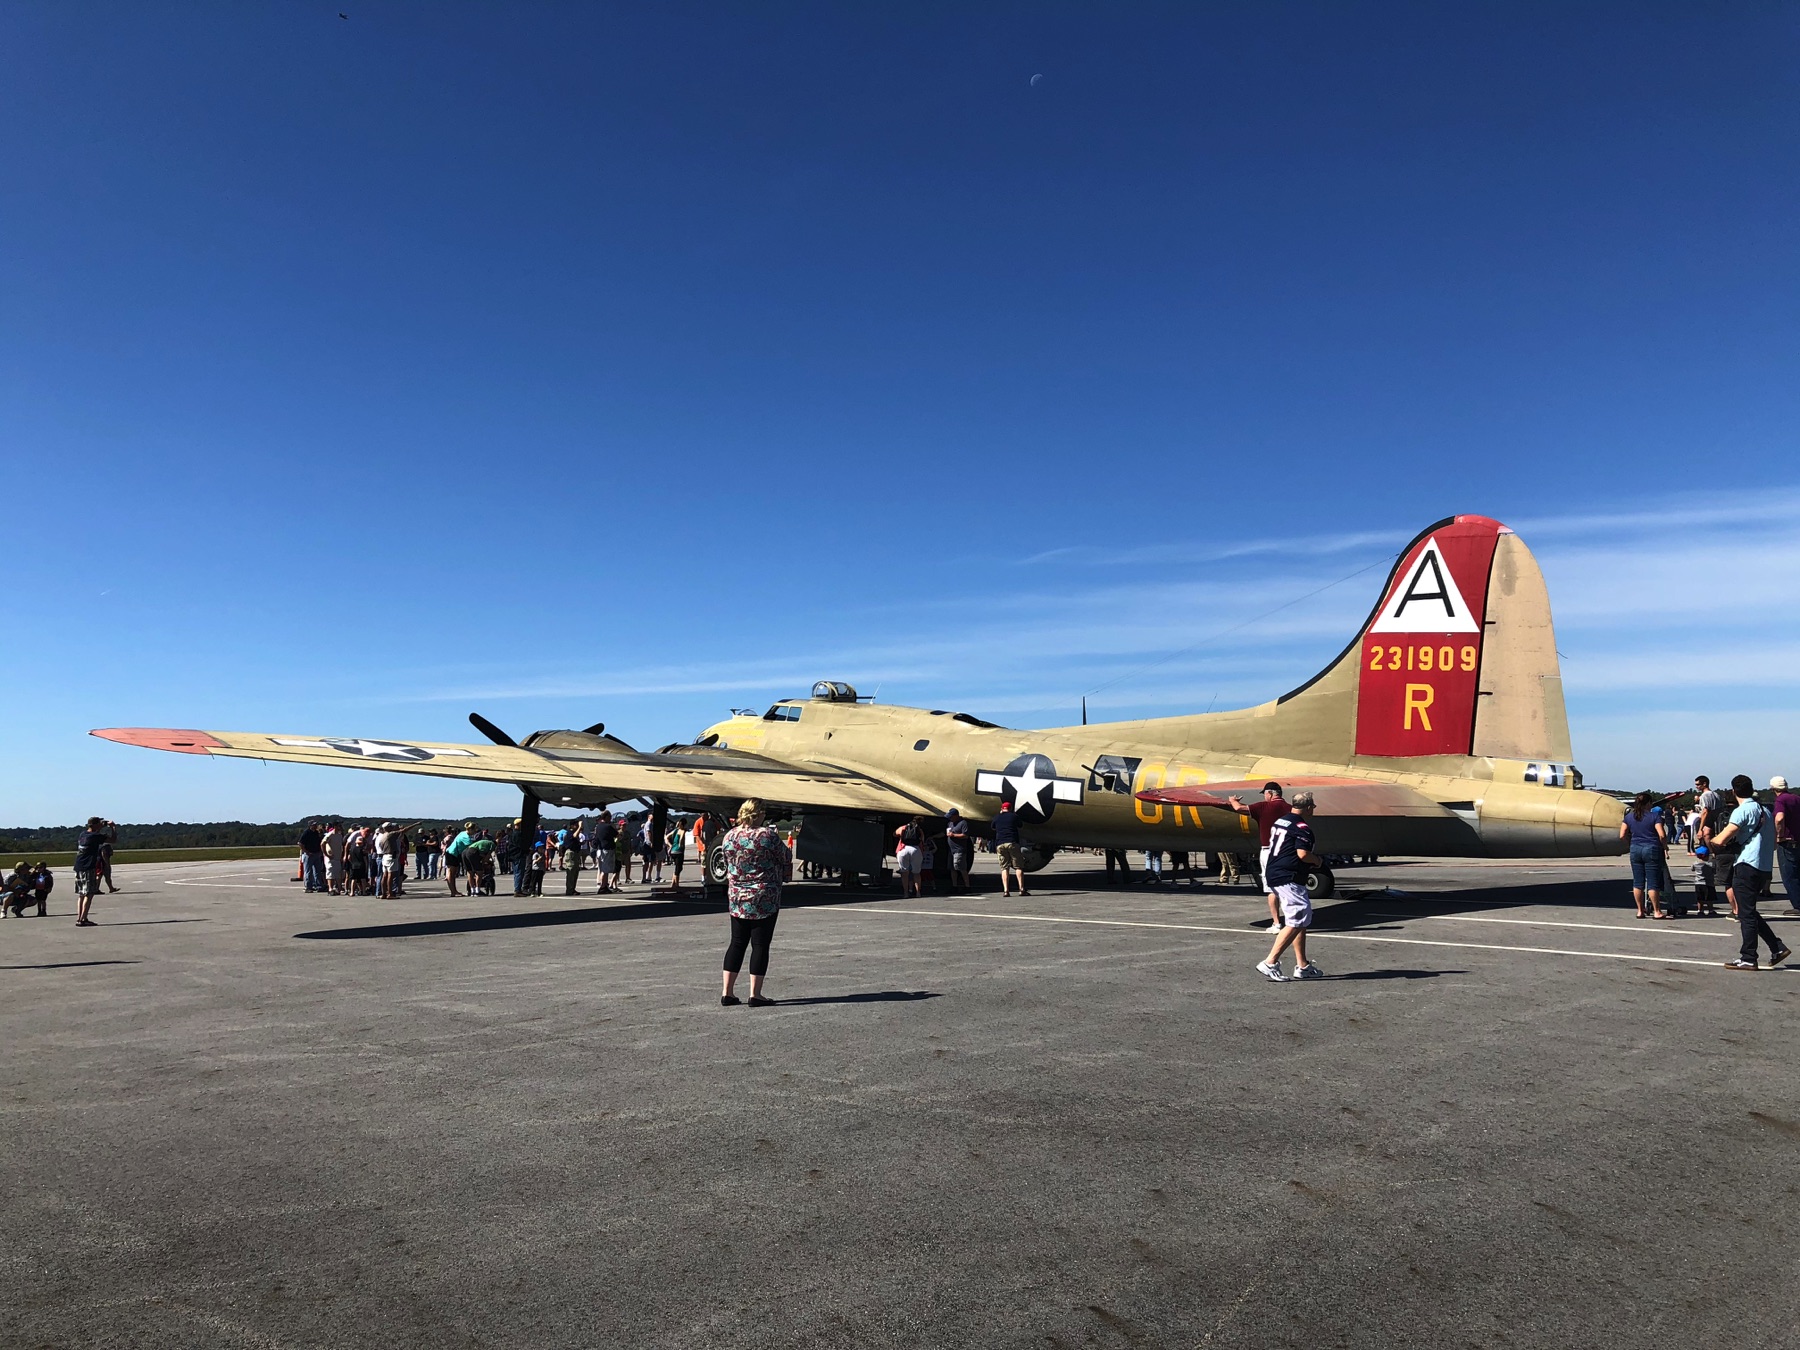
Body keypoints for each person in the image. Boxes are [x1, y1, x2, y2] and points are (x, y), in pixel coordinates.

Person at [1710, 774, 1791, 971]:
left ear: (1733, 791)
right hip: (1763, 866)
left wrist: (1711, 842)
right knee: (1749, 910)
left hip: (1747, 865)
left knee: (1745, 914)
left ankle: (1748, 956)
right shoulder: (1765, 811)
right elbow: (1772, 842)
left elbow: (1721, 839)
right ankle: (1776, 947)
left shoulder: (1742, 811)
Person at [718, 799, 792, 1006]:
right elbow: (785, 856)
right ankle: (755, 994)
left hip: (737, 897)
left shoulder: (729, 836)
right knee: (760, 945)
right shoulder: (767, 835)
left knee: (737, 942)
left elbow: (727, 863)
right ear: (758, 814)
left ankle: (727, 992)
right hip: (764, 896)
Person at [1256, 791, 1323, 980]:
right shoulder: (1302, 828)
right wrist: (1317, 861)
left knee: (1300, 920)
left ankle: (1302, 965)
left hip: (1275, 872)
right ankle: (1270, 962)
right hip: (1288, 875)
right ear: (1309, 807)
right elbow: (1303, 854)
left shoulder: (1281, 821)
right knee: (1298, 917)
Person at [1228, 782, 1291, 933]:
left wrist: (1233, 800)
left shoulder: (1262, 807)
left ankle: (1276, 923)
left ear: (1269, 793)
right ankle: (1291, 920)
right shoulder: (1289, 808)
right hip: (1287, 850)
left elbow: (1238, 808)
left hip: (1269, 851)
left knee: (1271, 889)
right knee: (1287, 886)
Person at [1619, 791, 1672, 919]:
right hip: (1651, 848)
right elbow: (1662, 834)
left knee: (1638, 882)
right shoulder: (1654, 816)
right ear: (1648, 803)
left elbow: (1622, 835)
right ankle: (1657, 911)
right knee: (1653, 882)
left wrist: (1630, 843)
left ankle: (1639, 910)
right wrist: (1665, 847)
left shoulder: (1629, 817)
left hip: (1635, 848)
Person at [73, 817, 114, 926]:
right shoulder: (95, 836)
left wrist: (100, 827)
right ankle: (83, 919)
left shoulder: (83, 834)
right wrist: (113, 828)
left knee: (81, 894)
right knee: (89, 893)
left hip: (79, 865)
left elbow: (96, 834)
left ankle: (79, 917)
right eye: (100, 823)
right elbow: (113, 840)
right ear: (95, 824)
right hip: (88, 866)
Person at [1772, 775, 1800, 914]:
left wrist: (1779, 835)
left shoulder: (1780, 800)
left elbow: (1779, 818)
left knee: (1789, 875)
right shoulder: (1796, 798)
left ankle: (1797, 905)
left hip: (1788, 841)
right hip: (1798, 839)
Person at [992, 801, 1028, 897]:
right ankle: (1021, 889)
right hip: (1012, 842)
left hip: (1000, 843)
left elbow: (993, 827)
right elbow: (1020, 825)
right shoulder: (1014, 816)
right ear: (1010, 808)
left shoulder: (997, 817)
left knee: (1004, 867)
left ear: (1002, 808)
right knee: (1018, 866)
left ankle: (1006, 890)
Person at [895, 817, 926, 897]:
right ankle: (918, 893)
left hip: (903, 849)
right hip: (916, 849)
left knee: (904, 873)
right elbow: (922, 840)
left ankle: (906, 893)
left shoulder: (903, 827)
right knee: (916, 873)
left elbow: (894, 834)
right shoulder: (919, 830)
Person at [944, 808, 972, 891]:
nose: (950, 818)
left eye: (951, 817)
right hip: (951, 850)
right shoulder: (950, 823)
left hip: (959, 849)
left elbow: (965, 835)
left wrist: (954, 835)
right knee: (952, 868)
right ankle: (954, 885)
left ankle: (967, 886)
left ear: (956, 816)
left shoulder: (963, 823)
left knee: (961, 868)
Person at [592, 812, 618, 893]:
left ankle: (604, 885)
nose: (610, 818)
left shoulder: (598, 826)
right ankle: (603, 886)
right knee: (605, 870)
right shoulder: (608, 826)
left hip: (599, 850)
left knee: (602, 868)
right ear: (606, 817)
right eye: (609, 816)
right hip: (607, 849)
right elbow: (616, 834)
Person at [444, 822, 473, 896]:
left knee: (454, 873)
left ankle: (454, 890)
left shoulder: (463, 833)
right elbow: (471, 845)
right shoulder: (465, 836)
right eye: (474, 830)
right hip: (452, 853)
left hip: (456, 854)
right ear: (470, 829)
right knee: (452, 872)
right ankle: (453, 891)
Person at [299, 820, 325, 893]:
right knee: (308, 871)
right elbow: (300, 843)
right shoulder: (306, 833)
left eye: (316, 824)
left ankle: (318, 886)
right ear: (310, 825)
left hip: (316, 854)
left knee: (317, 871)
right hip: (308, 855)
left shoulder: (316, 833)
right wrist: (306, 852)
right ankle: (308, 887)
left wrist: (320, 851)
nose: (315, 826)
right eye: (314, 825)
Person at [322, 822, 344, 894]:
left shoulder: (339, 835)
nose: (340, 827)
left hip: (338, 857)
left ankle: (339, 888)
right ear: (335, 826)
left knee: (338, 873)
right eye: (339, 826)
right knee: (330, 872)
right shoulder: (330, 835)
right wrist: (326, 854)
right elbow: (322, 843)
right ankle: (330, 888)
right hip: (330, 857)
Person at [666, 819, 686, 894]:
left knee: (677, 868)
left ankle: (673, 884)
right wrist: (681, 844)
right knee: (678, 868)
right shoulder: (682, 831)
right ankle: (676, 885)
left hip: (673, 851)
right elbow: (681, 839)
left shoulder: (675, 831)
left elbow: (666, 837)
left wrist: (670, 845)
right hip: (679, 851)